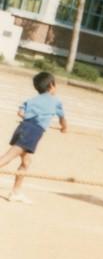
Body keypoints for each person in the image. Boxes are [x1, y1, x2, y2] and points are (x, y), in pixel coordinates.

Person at [0, 71, 67, 203]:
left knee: (26, 162)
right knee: (6, 158)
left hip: (23, 128)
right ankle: (16, 192)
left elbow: (20, 112)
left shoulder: (32, 100)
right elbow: (62, 119)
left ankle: (15, 192)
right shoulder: (56, 101)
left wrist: (31, 119)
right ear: (52, 85)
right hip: (32, 132)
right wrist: (65, 129)